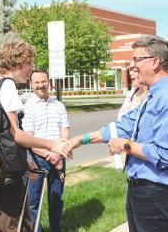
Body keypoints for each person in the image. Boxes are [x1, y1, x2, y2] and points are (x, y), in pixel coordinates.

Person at [66, 36, 168, 232]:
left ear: (155, 62)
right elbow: (121, 126)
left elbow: (164, 154)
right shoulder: (152, 95)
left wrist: (124, 146)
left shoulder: (165, 97)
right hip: (139, 191)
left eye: (137, 59)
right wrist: (80, 139)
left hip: (155, 195)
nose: (132, 65)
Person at [0, 39, 71, 232]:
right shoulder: (8, 87)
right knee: (15, 225)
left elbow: (1, 136)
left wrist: (23, 159)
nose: (30, 68)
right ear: (17, 62)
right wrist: (51, 144)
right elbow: (16, 134)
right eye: (28, 63)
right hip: (5, 178)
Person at [22, 68, 70, 232]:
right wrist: (50, 154)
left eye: (43, 81)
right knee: (34, 201)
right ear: (31, 84)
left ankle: (56, 228)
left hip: (59, 157)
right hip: (36, 160)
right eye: (37, 82)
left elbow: (65, 131)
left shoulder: (59, 105)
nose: (40, 85)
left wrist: (58, 153)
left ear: (49, 82)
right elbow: (29, 139)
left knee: (56, 198)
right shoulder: (26, 108)